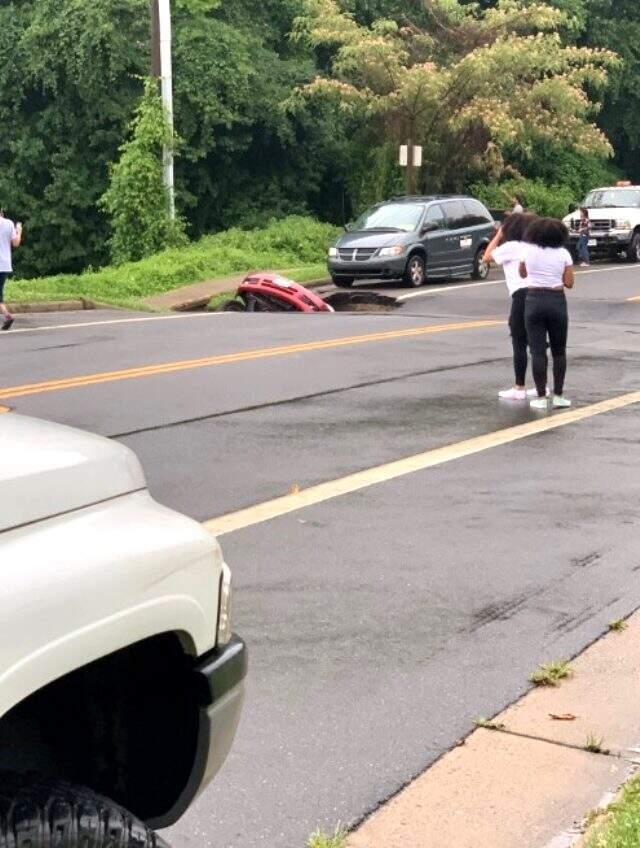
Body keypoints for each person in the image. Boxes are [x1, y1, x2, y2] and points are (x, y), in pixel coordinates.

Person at [519, 218, 574, 410]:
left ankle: (541, 396)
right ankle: (558, 395)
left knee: (537, 351)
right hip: (557, 301)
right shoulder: (564, 254)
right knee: (559, 351)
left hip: (533, 300)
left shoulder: (528, 252)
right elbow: (569, 283)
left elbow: (523, 274)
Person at [484, 212, 539, 401]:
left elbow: (486, 257)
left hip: (521, 296)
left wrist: (498, 236)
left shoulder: (510, 247)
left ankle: (519, 387)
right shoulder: (534, 247)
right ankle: (542, 386)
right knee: (537, 344)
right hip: (539, 294)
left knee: (519, 342)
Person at [0, 210, 22, 331]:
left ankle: (7, 316)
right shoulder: (8, 223)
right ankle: (7, 316)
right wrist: (19, 230)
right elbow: (16, 243)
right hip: (5, 264)